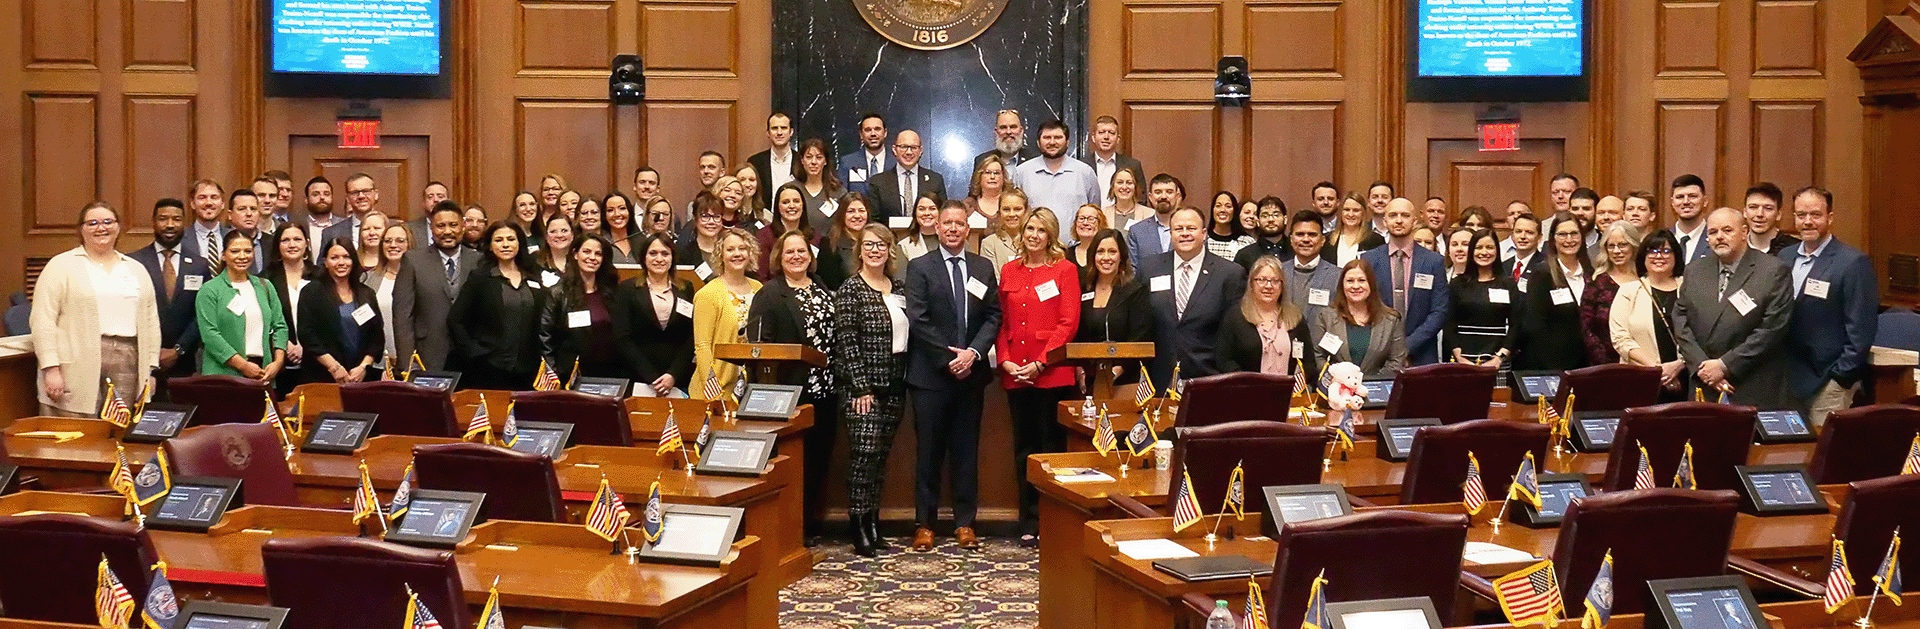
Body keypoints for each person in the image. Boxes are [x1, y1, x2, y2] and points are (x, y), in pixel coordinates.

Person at [903, 202, 1002, 552]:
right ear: (937, 227)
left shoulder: (983, 267)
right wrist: (949, 359)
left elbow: (993, 315)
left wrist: (972, 353)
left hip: (971, 376)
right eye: (948, 223)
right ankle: (925, 525)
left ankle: (965, 523)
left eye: (960, 224)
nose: (954, 229)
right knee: (928, 452)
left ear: (968, 228)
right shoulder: (919, 267)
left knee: (966, 451)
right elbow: (918, 318)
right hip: (930, 376)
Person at [745, 230, 838, 544]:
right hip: (789, 394)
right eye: (789, 253)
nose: (797, 256)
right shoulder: (770, 294)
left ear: (810, 257)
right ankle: (789, 530)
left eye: (802, 251)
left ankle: (807, 524)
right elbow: (758, 349)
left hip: (825, 391)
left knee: (817, 462)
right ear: (778, 259)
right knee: (792, 463)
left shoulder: (821, 287)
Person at [996, 208, 1082, 546]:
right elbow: (1002, 323)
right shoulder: (1008, 270)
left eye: (1041, 230)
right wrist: (1004, 360)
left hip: (1053, 374)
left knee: (1051, 448)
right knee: (1024, 449)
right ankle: (1028, 520)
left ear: (1051, 235)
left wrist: (1041, 362)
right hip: (1015, 373)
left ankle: (1053, 519)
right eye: (1029, 228)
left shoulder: (1064, 271)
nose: (1033, 234)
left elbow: (1068, 324)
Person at [33, 202, 162, 417]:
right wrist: (51, 368)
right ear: (81, 229)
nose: (100, 228)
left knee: (119, 426)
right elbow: (42, 321)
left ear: (118, 227)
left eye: (107, 222)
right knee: (77, 427)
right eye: (92, 223)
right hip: (76, 360)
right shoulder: (60, 266)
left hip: (127, 358)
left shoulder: (135, 269)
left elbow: (151, 322)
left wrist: (149, 369)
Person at [833, 223, 909, 557]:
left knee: (880, 458)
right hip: (862, 390)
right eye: (869, 244)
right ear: (859, 250)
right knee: (863, 457)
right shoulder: (851, 289)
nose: (875, 250)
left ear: (890, 249)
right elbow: (847, 343)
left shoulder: (899, 287)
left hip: (894, 384)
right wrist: (860, 387)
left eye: (881, 244)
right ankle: (858, 525)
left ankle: (874, 524)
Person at [1673, 207, 1795, 407]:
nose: (1719, 237)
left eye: (1727, 230)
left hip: (1750, 384)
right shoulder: (1695, 270)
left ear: (1744, 232)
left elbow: (1772, 329)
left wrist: (1724, 366)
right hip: (1703, 384)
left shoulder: (1773, 270)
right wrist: (1703, 367)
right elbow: (1680, 319)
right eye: (1713, 232)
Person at [1779, 187, 1877, 425]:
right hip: (1787, 379)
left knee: (1822, 455)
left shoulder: (1852, 263)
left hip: (1828, 382)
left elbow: (1861, 329)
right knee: (1787, 453)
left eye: (1815, 215)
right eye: (1801, 215)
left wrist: (1841, 377)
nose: (1808, 221)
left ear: (1830, 218)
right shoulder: (1784, 257)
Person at [1139, 207, 1247, 387]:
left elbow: (1234, 332)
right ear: (1171, 233)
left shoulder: (1230, 273)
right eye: (1178, 229)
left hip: (1209, 376)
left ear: (1204, 233)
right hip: (1158, 378)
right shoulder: (1149, 269)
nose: (1184, 234)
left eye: (1191, 228)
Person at [449, 222, 546, 390]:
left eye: (511, 239)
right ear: (490, 246)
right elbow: (455, 320)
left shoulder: (534, 275)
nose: (505, 244)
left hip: (529, 369)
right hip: (489, 369)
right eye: (499, 240)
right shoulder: (480, 278)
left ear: (519, 243)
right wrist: (474, 351)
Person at [1360, 198, 1449, 366]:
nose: (1399, 220)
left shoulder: (1434, 261)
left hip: (1421, 355)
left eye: (1405, 215)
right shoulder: (1368, 260)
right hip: (1378, 356)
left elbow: (1439, 312)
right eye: (1393, 215)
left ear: (1414, 220)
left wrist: (1405, 347)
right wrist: (1387, 348)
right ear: (1385, 221)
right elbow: (1363, 307)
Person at [392, 203, 480, 372]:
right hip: (427, 355)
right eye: (440, 226)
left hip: (471, 358)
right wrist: (409, 362)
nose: (447, 231)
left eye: (453, 225)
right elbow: (403, 316)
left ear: (463, 227)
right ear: (431, 228)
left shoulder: (478, 260)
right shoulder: (413, 261)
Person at [128, 199, 206, 386]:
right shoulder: (133, 262)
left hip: (185, 362)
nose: (170, 225)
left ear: (184, 224)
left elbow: (202, 314)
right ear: (153, 222)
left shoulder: (199, 265)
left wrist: (178, 350)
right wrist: (151, 350)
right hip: (141, 359)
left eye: (176, 219)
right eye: (163, 219)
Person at [196, 230, 288, 381]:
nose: (242, 256)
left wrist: (277, 362)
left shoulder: (265, 286)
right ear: (223, 255)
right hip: (223, 374)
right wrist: (243, 366)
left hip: (263, 371)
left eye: (247, 251)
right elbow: (210, 335)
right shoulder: (210, 289)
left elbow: (280, 326)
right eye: (235, 251)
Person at [613, 233, 695, 398]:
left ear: (672, 258)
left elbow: (690, 336)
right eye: (653, 253)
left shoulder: (686, 288)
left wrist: (673, 374)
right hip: (639, 378)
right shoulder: (627, 289)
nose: (659, 258)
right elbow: (622, 337)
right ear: (643, 258)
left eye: (665, 253)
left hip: (677, 380)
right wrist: (651, 377)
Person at [1610, 230, 1689, 401]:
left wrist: (1678, 365)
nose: (1659, 256)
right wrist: (1658, 369)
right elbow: (1620, 338)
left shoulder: (1689, 289)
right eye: (1652, 251)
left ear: (1676, 256)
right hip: (1641, 381)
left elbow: (1702, 333)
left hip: (1686, 379)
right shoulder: (1628, 291)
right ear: (1643, 257)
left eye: (1666, 251)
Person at [691, 228, 763, 404]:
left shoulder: (759, 288)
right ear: (720, 254)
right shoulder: (708, 294)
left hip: (750, 390)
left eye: (742, 248)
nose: (737, 254)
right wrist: (712, 390)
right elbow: (702, 346)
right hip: (717, 391)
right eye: (730, 249)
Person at [1515, 212, 1593, 371]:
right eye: (1562, 234)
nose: (1569, 240)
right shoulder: (1542, 273)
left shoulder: (1590, 272)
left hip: (1586, 363)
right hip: (1552, 364)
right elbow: (1534, 326)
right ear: (1552, 239)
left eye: (1574, 234)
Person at [540, 234, 625, 380]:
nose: (592, 257)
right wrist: (554, 374)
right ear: (575, 254)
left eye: (598, 254)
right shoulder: (558, 293)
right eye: (586, 251)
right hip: (571, 374)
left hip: (611, 373)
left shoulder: (613, 291)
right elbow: (545, 337)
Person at [298, 238, 383, 384]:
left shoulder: (366, 293)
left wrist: (364, 366)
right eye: (334, 258)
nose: (341, 262)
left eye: (346, 257)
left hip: (361, 377)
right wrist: (334, 367)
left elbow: (376, 336)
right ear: (325, 262)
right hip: (322, 376)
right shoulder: (312, 292)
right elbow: (307, 335)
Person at [1075, 228, 1152, 387]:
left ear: (1121, 257)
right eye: (1100, 251)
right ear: (1093, 256)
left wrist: (1114, 373)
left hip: (1125, 380)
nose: (1106, 258)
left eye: (1112, 252)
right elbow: (1077, 334)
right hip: (1087, 380)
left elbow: (1140, 337)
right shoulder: (1083, 289)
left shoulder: (1135, 291)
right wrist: (1080, 372)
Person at [1217, 255, 1314, 380]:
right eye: (1261, 279)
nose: (1268, 286)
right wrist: (1247, 383)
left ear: (1282, 285)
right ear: (1251, 283)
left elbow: (1308, 361)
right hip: (1247, 392)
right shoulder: (1235, 316)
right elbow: (1223, 360)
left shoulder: (1295, 317)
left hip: (1288, 394)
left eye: (1275, 281)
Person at [1310, 260, 1407, 379]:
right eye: (1350, 281)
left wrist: (1367, 383)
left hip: (1377, 390)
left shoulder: (1391, 320)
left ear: (1371, 284)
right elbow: (1318, 356)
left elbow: (1396, 361)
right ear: (1342, 285)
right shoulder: (1325, 317)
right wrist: (1339, 381)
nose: (1356, 286)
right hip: (1336, 390)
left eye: (1362, 280)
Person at [1011, 120, 1100, 236]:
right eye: (1047, 137)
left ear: (1067, 142)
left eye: (1058, 137)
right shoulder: (1022, 172)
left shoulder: (1085, 173)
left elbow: (1096, 212)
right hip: (1034, 248)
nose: (1052, 142)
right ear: (1038, 142)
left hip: (1075, 249)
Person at [1445, 229, 1518, 368]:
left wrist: (1500, 357)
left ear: (1497, 251)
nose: (1484, 252)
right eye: (1479, 247)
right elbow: (1449, 323)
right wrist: (1459, 356)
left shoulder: (1508, 284)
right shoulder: (1457, 284)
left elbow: (1517, 325)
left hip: (1497, 362)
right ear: (1472, 251)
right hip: (1463, 361)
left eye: (1489, 247)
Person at [261, 223, 311, 395]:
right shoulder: (265, 279)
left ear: (307, 244)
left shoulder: (321, 276)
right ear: (277, 246)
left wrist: (306, 346)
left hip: (314, 362)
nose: (292, 245)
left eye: (297, 239)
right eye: (285, 240)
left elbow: (326, 322)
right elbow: (264, 318)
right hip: (278, 362)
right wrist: (284, 344)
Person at [1582, 222, 1643, 365]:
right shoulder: (1597, 282)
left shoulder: (1646, 280)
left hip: (1645, 363)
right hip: (1606, 366)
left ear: (1633, 246)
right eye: (1611, 246)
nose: (1617, 251)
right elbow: (1587, 328)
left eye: (1623, 245)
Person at [868, 129, 946, 221]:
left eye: (913, 147)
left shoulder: (935, 180)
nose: (909, 152)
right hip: (890, 234)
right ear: (894, 150)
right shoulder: (878, 182)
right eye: (903, 147)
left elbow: (943, 215)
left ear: (920, 151)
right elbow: (873, 220)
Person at [366, 223, 411, 372]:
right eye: (387, 241)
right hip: (377, 361)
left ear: (410, 244)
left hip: (412, 361)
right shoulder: (368, 279)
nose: (393, 245)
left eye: (400, 241)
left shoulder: (421, 278)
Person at [1278, 211, 1339, 315]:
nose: (1306, 239)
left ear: (1323, 240)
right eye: (1300, 234)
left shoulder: (1338, 276)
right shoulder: (1278, 272)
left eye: (1312, 234)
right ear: (1291, 240)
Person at [757, 183, 819, 279]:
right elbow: (761, 276)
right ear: (778, 207)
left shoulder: (816, 237)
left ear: (803, 205)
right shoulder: (764, 236)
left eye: (796, 201)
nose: (791, 206)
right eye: (785, 202)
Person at [818, 192, 873, 290]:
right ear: (842, 214)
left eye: (861, 211)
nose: (857, 215)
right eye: (851, 211)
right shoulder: (829, 244)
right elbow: (828, 285)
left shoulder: (876, 240)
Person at [1125, 173, 1184, 260]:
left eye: (1169, 192)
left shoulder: (1191, 230)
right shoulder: (1136, 232)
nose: (1163, 196)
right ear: (1150, 197)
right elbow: (1132, 269)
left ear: (1177, 196)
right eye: (1158, 192)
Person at [1086, 115, 1145, 203]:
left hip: (1124, 215)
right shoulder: (1082, 166)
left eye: (1111, 133)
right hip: (1091, 216)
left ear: (1118, 139)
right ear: (1093, 138)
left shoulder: (1133, 165)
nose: (1106, 137)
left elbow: (1141, 198)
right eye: (1101, 132)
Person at [747, 112, 797, 210]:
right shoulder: (755, 162)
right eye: (774, 128)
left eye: (783, 128)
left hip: (794, 218)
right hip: (763, 220)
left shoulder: (801, 161)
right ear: (768, 133)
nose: (779, 132)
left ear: (791, 132)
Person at [794, 139, 844, 231]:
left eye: (819, 157)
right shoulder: (792, 190)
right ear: (802, 161)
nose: (813, 162)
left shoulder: (838, 191)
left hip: (830, 243)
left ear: (825, 161)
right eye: (808, 157)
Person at [323, 174, 381, 251]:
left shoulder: (393, 227)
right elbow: (323, 262)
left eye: (366, 191)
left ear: (376, 194)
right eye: (355, 192)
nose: (361, 196)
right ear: (348, 198)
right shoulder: (330, 233)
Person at [977, 189, 1029, 276]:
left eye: (1017, 209)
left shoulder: (1035, 240)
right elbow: (993, 280)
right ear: (999, 212)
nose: (1011, 214)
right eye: (1006, 209)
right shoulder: (989, 244)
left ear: (1026, 211)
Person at [840, 113, 892, 196]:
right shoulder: (848, 163)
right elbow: (842, 197)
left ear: (885, 133)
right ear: (861, 135)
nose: (873, 134)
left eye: (877, 129)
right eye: (868, 130)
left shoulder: (896, 162)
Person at [1326, 192, 1384, 266]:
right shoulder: (1327, 240)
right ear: (1341, 212)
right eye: (1347, 210)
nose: (1351, 214)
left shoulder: (1375, 240)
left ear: (1363, 213)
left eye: (1356, 210)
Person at [1233, 197, 1291, 269]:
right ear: (1258, 222)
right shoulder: (1244, 255)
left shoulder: (1296, 251)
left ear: (1285, 219)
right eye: (1265, 216)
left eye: (1276, 215)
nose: (1270, 219)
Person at [1743, 182, 1800, 255]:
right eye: (1753, 207)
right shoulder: (1735, 247)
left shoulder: (1795, 249)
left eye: (1768, 208)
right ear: (1745, 212)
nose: (1760, 214)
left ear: (1778, 215)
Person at [974, 109, 1040, 170]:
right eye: (1003, 128)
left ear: (1021, 131)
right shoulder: (982, 161)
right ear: (996, 132)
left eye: (1013, 127)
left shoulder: (1036, 160)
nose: (1008, 132)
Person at [676, 194, 726, 274]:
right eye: (705, 216)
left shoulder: (729, 249)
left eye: (716, 217)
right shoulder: (684, 253)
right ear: (695, 219)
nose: (711, 222)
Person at [1666, 174, 1711, 263]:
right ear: (1672, 203)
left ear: (1705, 201)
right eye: (1680, 197)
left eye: (1692, 196)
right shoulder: (1664, 239)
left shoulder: (1715, 238)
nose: (1686, 202)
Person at [895, 194, 945, 272]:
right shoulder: (904, 246)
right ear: (915, 213)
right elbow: (900, 280)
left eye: (932, 209)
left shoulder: (952, 243)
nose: (926, 213)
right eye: (921, 209)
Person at [184, 179, 230, 263]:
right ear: (193, 204)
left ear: (222, 204)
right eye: (202, 198)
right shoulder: (180, 239)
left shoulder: (234, 237)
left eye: (214, 197)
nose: (208, 202)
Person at [964, 154, 1012, 229]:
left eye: (996, 173)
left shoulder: (1014, 203)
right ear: (979, 176)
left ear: (1003, 177)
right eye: (987, 172)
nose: (992, 177)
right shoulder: (968, 205)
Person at [1204, 191, 1254, 260]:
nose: (1222, 210)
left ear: (1234, 211)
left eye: (1228, 206)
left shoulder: (1247, 242)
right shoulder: (1202, 239)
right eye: (1218, 206)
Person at [1499, 212, 1544, 285]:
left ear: (1539, 238)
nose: (1523, 236)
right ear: (1512, 235)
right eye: (1518, 231)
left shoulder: (1546, 266)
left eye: (1529, 232)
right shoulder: (1503, 266)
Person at [1102, 167, 1147, 233]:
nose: (1124, 187)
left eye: (1129, 183)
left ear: (1135, 187)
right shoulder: (1103, 214)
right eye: (1120, 182)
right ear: (1113, 187)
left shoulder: (1149, 214)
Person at [601, 193, 640, 265]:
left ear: (629, 212)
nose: (617, 214)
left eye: (622, 208)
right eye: (610, 210)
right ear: (604, 215)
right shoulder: (600, 243)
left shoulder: (641, 241)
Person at [535, 214, 574, 279]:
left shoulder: (580, 260)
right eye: (553, 231)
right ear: (546, 236)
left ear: (572, 234)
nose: (559, 235)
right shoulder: (535, 261)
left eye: (564, 230)